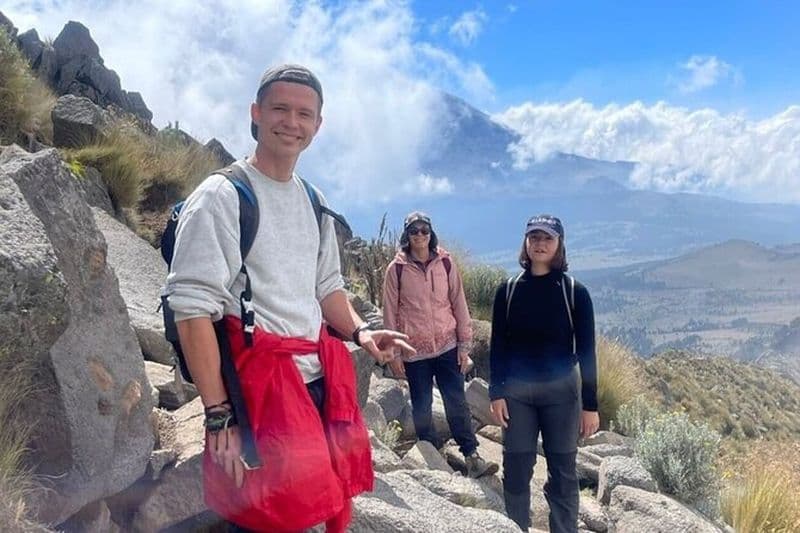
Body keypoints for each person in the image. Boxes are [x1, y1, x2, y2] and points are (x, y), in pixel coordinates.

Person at [165, 64, 414, 533]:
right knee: (264, 513)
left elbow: (326, 288)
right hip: (257, 388)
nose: (291, 123)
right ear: (256, 114)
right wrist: (220, 415)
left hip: (315, 381)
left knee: (313, 501)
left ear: (318, 127)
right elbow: (192, 308)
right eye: (280, 108)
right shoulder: (221, 196)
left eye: (305, 114)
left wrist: (360, 332)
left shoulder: (312, 199)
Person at [489, 214, 599, 532]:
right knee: (517, 468)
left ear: (559, 244)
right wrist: (496, 392)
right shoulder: (507, 291)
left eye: (547, 238)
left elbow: (588, 352)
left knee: (563, 471)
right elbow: (498, 346)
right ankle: (515, 527)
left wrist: (590, 406)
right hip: (517, 394)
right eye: (534, 237)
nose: (540, 243)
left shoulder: (575, 292)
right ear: (525, 242)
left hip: (562, 394)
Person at [382, 211, 498, 478]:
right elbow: (389, 312)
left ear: (431, 233)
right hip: (414, 351)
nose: (419, 235)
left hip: (447, 346)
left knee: (456, 402)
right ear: (406, 236)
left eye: (424, 230)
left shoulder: (446, 263)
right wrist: (394, 353)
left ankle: (471, 456)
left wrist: (464, 344)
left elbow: (459, 302)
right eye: (414, 231)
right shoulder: (396, 270)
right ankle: (433, 463)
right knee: (421, 406)